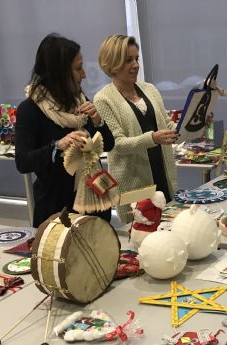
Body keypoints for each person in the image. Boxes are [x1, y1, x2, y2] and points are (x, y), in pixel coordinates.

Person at [15, 33, 115, 227]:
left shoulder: (79, 100)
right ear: (58, 73)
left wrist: (97, 120)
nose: (84, 74)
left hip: (94, 203)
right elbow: (23, 161)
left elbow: (109, 144)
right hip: (57, 211)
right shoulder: (30, 109)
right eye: (78, 68)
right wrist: (58, 145)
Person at [94, 34, 178, 222]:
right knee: (141, 239)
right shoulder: (103, 99)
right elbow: (116, 144)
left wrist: (194, 123)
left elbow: (169, 127)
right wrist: (153, 139)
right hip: (133, 185)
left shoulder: (150, 89)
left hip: (163, 175)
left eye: (136, 58)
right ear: (112, 63)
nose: (136, 65)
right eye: (128, 60)